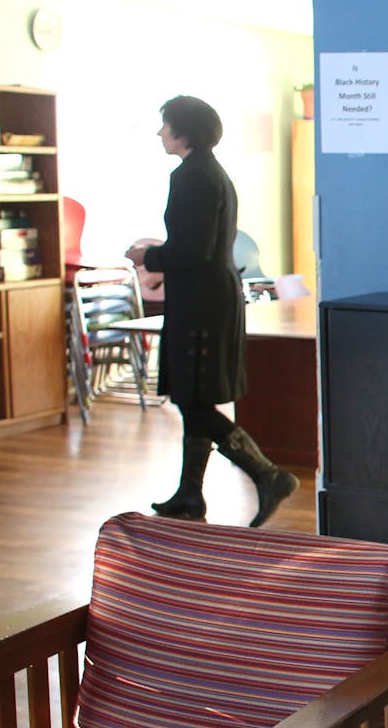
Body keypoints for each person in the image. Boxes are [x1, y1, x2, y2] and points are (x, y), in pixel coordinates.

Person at [124, 96, 298, 528]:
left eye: (165, 125)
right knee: (194, 398)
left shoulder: (193, 176)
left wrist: (147, 256)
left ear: (184, 130)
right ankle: (190, 493)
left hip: (201, 303)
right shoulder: (206, 171)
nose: (160, 133)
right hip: (205, 298)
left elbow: (193, 249)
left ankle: (267, 474)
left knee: (191, 398)